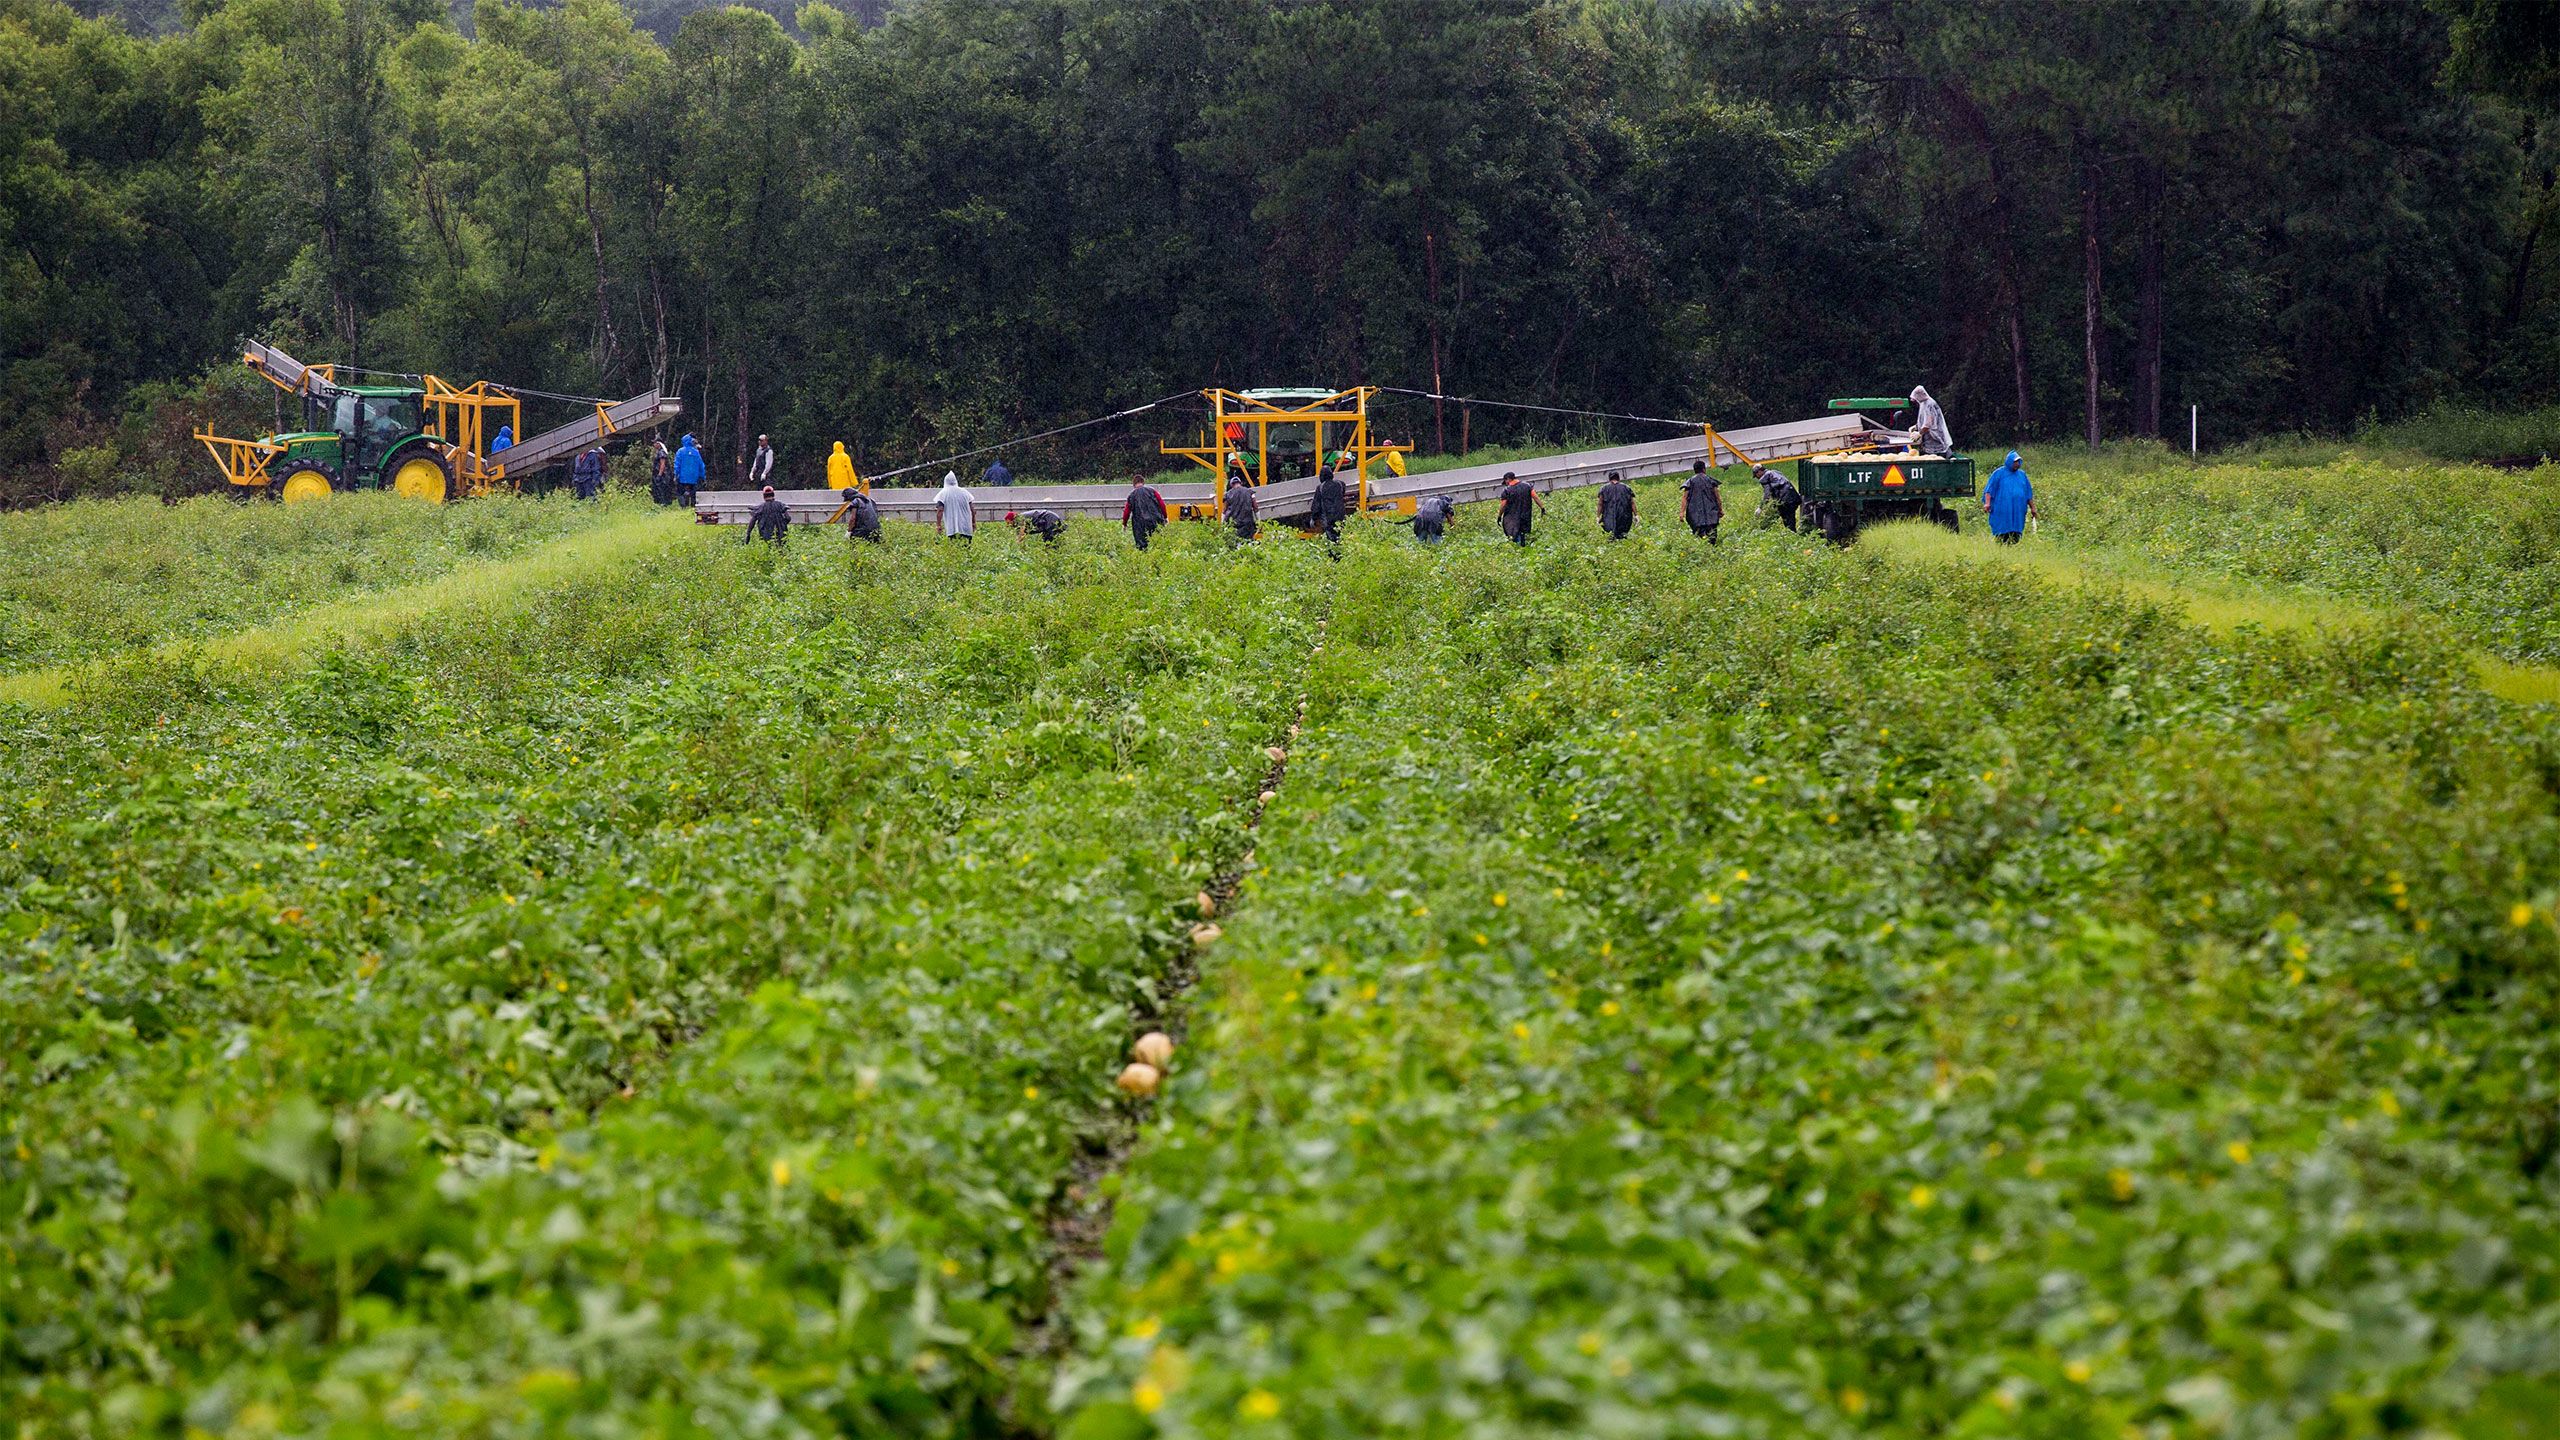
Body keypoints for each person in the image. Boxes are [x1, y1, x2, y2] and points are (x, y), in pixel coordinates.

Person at [1982, 449, 2036, 544]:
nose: (2017, 464)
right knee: (2002, 529)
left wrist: (2033, 508)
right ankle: (2001, 545)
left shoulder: (2022, 475)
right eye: (2015, 462)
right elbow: (1989, 490)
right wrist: (1987, 503)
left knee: (2016, 530)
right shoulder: (1999, 473)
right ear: (2009, 461)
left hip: (2018, 509)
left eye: (2018, 462)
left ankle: (2014, 545)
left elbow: (2028, 493)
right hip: (2002, 508)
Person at [1497, 471, 1544, 546]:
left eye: (1505, 481)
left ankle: (1519, 550)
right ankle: (1525, 549)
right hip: (1525, 516)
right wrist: (1542, 508)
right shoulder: (1527, 486)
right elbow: (1535, 497)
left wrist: (1499, 516)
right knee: (1524, 534)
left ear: (1508, 479)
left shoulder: (1507, 490)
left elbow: (1503, 505)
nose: (1506, 484)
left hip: (1512, 518)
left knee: (1514, 534)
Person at [1123, 477, 1168, 550]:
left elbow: (1127, 512)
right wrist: (1165, 517)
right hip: (1155, 520)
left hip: (1139, 524)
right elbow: (1162, 504)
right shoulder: (1152, 491)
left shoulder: (1131, 495)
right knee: (1158, 543)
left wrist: (1124, 524)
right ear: (1143, 483)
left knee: (1142, 546)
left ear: (1134, 485)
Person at [1682, 460, 1723, 541]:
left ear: (1694, 470)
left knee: (1700, 539)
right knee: (1712, 538)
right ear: (1704, 469)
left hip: (1695, 518)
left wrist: (1681, 512)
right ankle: (1712, 550)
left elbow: (1685, 498)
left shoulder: (1690, 482)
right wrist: (1720, 510)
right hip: (1711, 516)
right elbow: (1717, 497)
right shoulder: (1711, 481)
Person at [1753, 464, 1800, 532]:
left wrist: (1760, 507)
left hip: (1785, 500)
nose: (1757, 477)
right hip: (1793, 497)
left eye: (1756, 475)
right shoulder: (1775, 472)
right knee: (1789, 519)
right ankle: (1792, 535)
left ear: (1759, 471)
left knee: (1783, 518)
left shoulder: (1764, 478)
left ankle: (1763, 530)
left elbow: (1767, 494)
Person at [1310, 464, 1349, 542]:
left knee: (1330, 538)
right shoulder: (1340, 484)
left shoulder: (1320, 487)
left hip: (1328, 518)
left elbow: (1316, 506)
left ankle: (1333, 552)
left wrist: (1313, 519)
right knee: (1340, 535)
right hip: (1340, 515)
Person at [1909, 385, 1952, 454]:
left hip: (1935, 438)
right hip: (1928, 439)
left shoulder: (1930, 404)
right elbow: (1923, 419)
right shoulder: (1923, 404)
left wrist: (1919, 433)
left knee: (1936, 456)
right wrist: (1916, 426)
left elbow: (1928, 423)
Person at [935, 470, 975, 540]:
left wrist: (938, 525)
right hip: (966, 528)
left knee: (954, 549)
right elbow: (972, 509)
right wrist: (973, 523)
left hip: (952, 529)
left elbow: (940, 510)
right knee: (966, 549)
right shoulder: (965, 492)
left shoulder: (943, 493)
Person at [1596, 470, 1635, 540]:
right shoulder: (1626, 488)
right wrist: (1636, 515)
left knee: (1610, 537)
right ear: (1618, 478)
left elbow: (1600, 504)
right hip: (1624, 517)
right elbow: (1632, 502)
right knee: (1622, 536)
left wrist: (1598, 516)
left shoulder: (1604, 488)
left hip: (1608, 517)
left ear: (1609, 479)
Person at [673, 433, 706, 507]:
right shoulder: (696, 452)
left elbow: (677, 464)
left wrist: (676, 474)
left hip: (683, 477)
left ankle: (684, 506)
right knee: (693, 493)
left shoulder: (680, 451)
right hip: (694, 477)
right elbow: (701, 465)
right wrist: (703, 476)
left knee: (680, 492)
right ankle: (693, 506)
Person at [1225, 473, 1259, 540]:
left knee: (1235, 542)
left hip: (1234, 524)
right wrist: (1259, 521)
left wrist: (1222, 524)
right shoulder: (1249, 492)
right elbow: (1255, 507)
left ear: (1231, 485)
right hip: (1247, 523)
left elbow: (1224, 510)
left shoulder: (1228, 494)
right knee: (1248, 542)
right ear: (1240, 483)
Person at [650, 438, 675, 506]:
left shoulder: (661, 452)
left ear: (659, 444)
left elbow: (662, 464)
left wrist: (659, 475)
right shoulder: (659, 452)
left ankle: (664, 503)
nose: (654, 445)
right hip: (662, 474)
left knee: (662, 489)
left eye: (655, 443)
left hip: (663, 475)